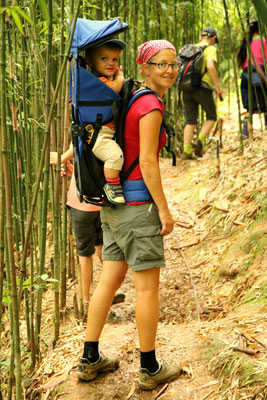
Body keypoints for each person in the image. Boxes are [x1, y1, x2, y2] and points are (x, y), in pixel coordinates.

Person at [77, 39, 182, 391]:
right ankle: (150, 368)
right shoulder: (149, 104)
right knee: (147, 288)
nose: (169, 70)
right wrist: (165, 211)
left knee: (109, 280)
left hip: (113, 205)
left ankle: (89, 358)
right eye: (161, 64)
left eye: (173, 64)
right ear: (145, 68)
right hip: (138, 208)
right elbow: (149, 163)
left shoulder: (129, 94)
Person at [50, 146, 103, 316]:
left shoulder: (81, 131)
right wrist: (73, 172)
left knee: (85, 254)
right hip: (103, 204)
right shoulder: (108, 134)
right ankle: (109, 288)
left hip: (80, 205)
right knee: (103, 247)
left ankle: (86, 302)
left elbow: (74, 147)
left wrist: (60, 158)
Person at [85, 39, 127, 205]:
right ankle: (112, 187)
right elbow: (113, 89)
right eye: (104, 58)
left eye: (115, 59)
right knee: (115, 157)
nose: (111, 63)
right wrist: (121, 77)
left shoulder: (101, 78)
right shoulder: (97, 81)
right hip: (100, 136)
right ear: (89, 60)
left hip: (104, 134)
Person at [180, 27, 223, 160]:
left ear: (200, 38)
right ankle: (199, 141)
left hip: (186, 88)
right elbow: (210, 66)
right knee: (211, 116)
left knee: (190, 120)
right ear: (214, 38)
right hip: (202, 87)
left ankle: (186, 151)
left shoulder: (191, 49)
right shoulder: (210, 49)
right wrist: (217, 87)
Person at [237, 20, 267, 137]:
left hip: (246, 77)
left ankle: (245, 135)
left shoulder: (246, 42)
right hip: (260, 76)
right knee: (265, 104)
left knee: (249, 109)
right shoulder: (262, 40)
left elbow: (241, 63)